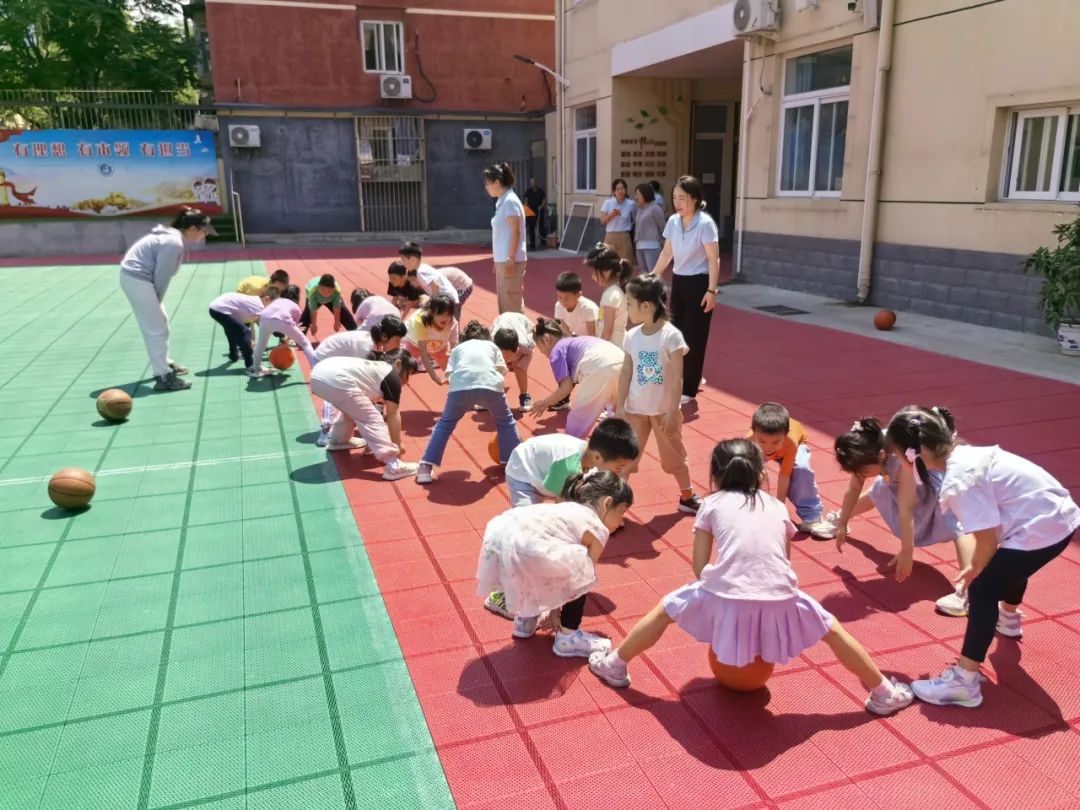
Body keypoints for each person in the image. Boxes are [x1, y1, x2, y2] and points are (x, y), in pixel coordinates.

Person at [588, 439, 916, 716]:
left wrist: (725, 612)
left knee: (664, 611)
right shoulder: (776, 506)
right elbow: (782, 564)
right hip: (780, 593)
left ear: (715, 475)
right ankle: (884, 692)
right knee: (831, 630)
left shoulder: (711, 504)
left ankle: (615, 663)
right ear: (760, 474)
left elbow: (700, 568)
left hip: (724, 589)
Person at [906, 409, 1080, 708]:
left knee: (982, 589)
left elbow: (985, 540)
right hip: (1057, 518)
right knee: (1007, 563)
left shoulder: (960, 478)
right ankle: (1008, 620)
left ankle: (965, 682)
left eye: (902, 454)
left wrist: (973, 569)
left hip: (1043, 527)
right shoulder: (966, 456)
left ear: (919, 452)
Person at [475, 470, 633, 657]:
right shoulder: (597, 528)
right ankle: (568, 637)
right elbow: (579, 579)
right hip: (531, 550)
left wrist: (553, 610)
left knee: (533, 570)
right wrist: (556, 612)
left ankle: (525, 621)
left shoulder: (567, 508)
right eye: (622, 512)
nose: (621, 521)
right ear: (607, 503)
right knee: (584, 572)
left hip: (505, 537)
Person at [833, 411, 975, 616]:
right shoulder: (865, 447)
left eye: (863, 472)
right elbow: (854, 488)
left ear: (881, 456)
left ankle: (971, 592)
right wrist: (843, 523)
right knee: (879, 489)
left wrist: (907, 551)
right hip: (908, 486)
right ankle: (837, 518)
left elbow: (907, 508)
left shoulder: (901, 460)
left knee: (957, 525)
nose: (860, 476)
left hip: (938, 483)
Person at [616, 274, 701, 515]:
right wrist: (620, 406)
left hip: (664, 411)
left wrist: (674, 411)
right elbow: (625, 373)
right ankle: (618, 503)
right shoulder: (632, 336)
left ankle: (687, 495)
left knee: (674, 457)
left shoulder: (671, 336)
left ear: (646, 305)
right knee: (626, 458)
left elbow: (676, 378)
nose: (627, 308)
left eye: (629, 303)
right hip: (635, 410)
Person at [119, 208, 213, 391]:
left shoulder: (173, 237)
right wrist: (156, 301)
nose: (205, 235)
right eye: (204, 231)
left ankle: (165, 364)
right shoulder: (173, 243)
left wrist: (155, 304)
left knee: (161, 323)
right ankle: (163, 377)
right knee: (155, 330)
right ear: (193, 228)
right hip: (138, 280)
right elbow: (161, 276)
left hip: (136, 279)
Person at [416, 321, 521, 484]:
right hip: (490, 386)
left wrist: (463, 394)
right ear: (488, 338)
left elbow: (449, 374)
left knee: (445, 424)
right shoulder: (492, 347)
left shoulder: (457, 349)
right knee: (505, 421)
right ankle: (514, 465)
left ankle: (425, 467)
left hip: (460, 387)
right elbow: (501, 370)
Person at [652, 176, 720, 405]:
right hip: (679, 282)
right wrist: (654, 274)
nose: (678, 203)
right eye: (674, 198)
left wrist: (711, 291)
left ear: (695, 198)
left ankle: (689, 389)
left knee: (695, 337)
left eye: (683, 198)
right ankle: (681, 378)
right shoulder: (672, 221)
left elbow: (713, 260)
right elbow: (667, 254)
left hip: (700, 284)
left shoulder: (705, 223)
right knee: (676, 334)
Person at [308, 349, 420, 481]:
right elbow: (393, 414)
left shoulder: (374, 370)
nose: (407, 381)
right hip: (335, 378)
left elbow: (367, 407)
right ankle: (393, 466)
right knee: (371, 419)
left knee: (352, 409)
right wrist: (398, 444)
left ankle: (339, 440)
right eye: (408, 374)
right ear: (398, 364)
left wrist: (374, 441)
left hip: (317, 375)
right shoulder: (391, 376)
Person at [313, 315, 407, 447]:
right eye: (397, 340)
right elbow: (365, 380)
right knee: (349, 400)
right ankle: (326, 433)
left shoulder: (373, 343)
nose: (399, 345)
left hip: (329, 366)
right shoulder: (366, 347)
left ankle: (339, 439)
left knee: (351, 402)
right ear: (385, 336)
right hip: (324, 365)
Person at [749, 402, 836, 539]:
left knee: (801, 470)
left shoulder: (790, 443)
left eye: (775, 442)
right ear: (753, 432)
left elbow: (784, 475)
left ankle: (811, 515)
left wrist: (780, 508)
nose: (768, 448)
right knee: (746, 470)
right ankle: (746, 507)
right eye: (762, 441)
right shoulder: (748, 442)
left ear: (785, 435)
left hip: (793, 446)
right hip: (761, 449)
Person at [528, 319, 624, 439]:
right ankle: (616, 446)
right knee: (619, 411)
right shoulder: (572, 341)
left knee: (579, 418)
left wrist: (544, 403)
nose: (541, 351)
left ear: (547, 339)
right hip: (621, 360)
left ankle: (571, 451)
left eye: (539, 346)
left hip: (599, 366)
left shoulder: (556, 351)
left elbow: (566, 387)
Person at [484, 161, 527, 314]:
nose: (486, 187)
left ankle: (515, 335)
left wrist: (510, 257)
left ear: (497, 182)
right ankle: (508, 333)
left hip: (511, 259)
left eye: (488, 183)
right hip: (504, 259)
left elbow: (515, 231)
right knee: (505, 300)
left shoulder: (510, 201)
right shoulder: (503, 201)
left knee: (511, 302)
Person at [248, 284, 317, 377]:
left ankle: (257, 370)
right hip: (282, 319)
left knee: (261, 345)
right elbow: (291, 328)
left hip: (264, 317)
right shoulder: (296, 307)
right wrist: (290, 337)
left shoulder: (277, 301)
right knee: (305, 343)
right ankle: (316, 370)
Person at [397, 242, 476, 320]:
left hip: (450, 300)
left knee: (450, 326)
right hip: (448, 300)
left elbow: (435, 285)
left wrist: (432, 304)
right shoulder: (424, 267)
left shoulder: (420, 272)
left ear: (412, 259)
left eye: (403, 260)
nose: (403, 264)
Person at [208, 288, 269, 374]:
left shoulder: (254, 300)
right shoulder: (259, 306)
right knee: (245, 332)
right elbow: (264, 326)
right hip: (219, 309)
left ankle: (233, 355)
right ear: (266, 299)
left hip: (215, 307)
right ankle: (250, 365)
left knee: (232, 331)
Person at [402, 294, 459, 385]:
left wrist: (453, 373)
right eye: (441, 314)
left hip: (437, 346)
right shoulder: (421, 321)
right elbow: (423, 353)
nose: (445, 318)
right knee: (401, 365)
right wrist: (435, 377)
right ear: (432, 312)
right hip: (412, 343)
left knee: (456, 373)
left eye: (448, 315)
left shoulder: (452, 322)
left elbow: (455, 351)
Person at [585, 244, 631, 347]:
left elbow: (607, 331)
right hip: (616, 344)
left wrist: (599, 349)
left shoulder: (611, 296)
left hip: (613, 347)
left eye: (594, 272)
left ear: (607, 271)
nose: (592, 277)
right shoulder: (614, 291)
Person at [492, 311, 535, 412]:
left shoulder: (525, 345)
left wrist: (515, 363)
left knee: (519, 367)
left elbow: (530, 350)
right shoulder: (490, 344)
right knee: (495, 367)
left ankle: (525, 396)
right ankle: (489, 395)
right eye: (502, 355)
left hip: (522, 322)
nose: (504, 358)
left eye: (507, 356)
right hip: (502, 320)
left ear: (516, 350)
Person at [301, 274, 357, 338]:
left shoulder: (336, 291)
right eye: (322, 290)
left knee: (345, 314)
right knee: (306, 316)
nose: (325, 294)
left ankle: (356, 334)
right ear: (318, 286)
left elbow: (337, 307)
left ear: (333, 289)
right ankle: (298, 337)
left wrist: (337, 321)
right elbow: (313, 310)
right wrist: (314, 324)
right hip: (316, 298)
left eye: (329, 291)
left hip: (331, 299)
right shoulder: (313, 292)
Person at [632, 183, 667, 274]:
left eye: (638, 195)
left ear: (645, 194)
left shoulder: (655, 209)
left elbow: (663, 228)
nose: (636, 197)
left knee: (653, 274)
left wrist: (664, 244)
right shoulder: (639, 209)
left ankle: (659, 288)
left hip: (652, 246)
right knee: (643, 274)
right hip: (639, 245)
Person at [598, 178, 635, 265]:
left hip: (624, 236)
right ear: (614, 191)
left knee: (626, 264)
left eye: (622, 188)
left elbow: (636, 218)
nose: (620, 191)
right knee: (609, 264)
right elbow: (602, 221)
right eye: (617, 189)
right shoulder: (608, 203)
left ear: (626, 190)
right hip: (610, 236)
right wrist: (611, 215)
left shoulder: (631, 204)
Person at [554, 272, 599, 337]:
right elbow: (561, 330)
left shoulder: (589, 309)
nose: (562, 301)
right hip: (575, 339)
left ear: (578, 295)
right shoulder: (558, 306)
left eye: (567, 298)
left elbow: (593, 336)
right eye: (559, 297)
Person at [522, 178, 547, 251]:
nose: (532, 184)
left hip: (539, 210)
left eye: (534, 182)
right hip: (530, 212)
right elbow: (526, 201)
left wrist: (541, 206)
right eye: (531, 183)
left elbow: (544, 200)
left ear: (536, 183)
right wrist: (526, 209)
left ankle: (543, 242)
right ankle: (532, 245)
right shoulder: (528, 191)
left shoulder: (541, 191)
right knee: (531, 228)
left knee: (541, 226)